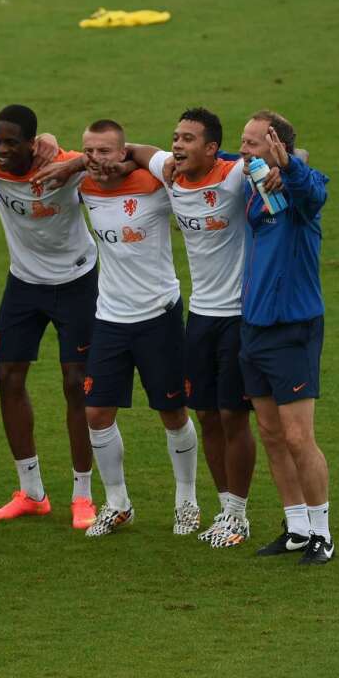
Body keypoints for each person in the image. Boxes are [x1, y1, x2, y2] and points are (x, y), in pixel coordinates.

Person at [0, 104, 99, 529]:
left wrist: (75, 163)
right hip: (24, 283)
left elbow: (113, 156)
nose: (2, 150)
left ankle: (83, 495)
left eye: (13, 143)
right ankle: (32, 492)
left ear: (33, 143)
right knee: (7, 376)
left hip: (76, 280)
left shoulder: (61, 164)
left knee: (74, 382)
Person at [126, 109, 257, 540]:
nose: (178, 145)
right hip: (199, 316)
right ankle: (224, 510)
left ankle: (239, 514)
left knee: (233, 415)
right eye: (175, 138)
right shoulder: (171, 174)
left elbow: (299, 156)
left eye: (188, 139)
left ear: (212, 148)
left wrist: (270, 167)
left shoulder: (235, 175)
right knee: (205, 414)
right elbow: (139, 151)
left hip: (238, 316)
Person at [66, 120, 198, 537]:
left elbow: (170, 163)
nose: (96, 159)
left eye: (105, 151)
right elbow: (50, 154)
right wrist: (73, 164)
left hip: (158, 315)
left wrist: (134, 156)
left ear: (124, 152)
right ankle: (118, 502)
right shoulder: (83, 186)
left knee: (172, 412)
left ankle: (187, 501)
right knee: (97, 413)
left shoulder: (153, 183)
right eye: (90, 151)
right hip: (109, 318)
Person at [237, 111, 333, 563]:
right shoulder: (254, 184)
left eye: (254, 144)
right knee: (272, 434)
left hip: (292, 329)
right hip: (254, 328)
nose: (245, 150)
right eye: (244, 141)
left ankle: (322, 533)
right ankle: (296, 527)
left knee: (299, 438)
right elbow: (208, 154)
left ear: (279, 149)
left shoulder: (299, 193)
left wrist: (291, 166)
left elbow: (314, 191)